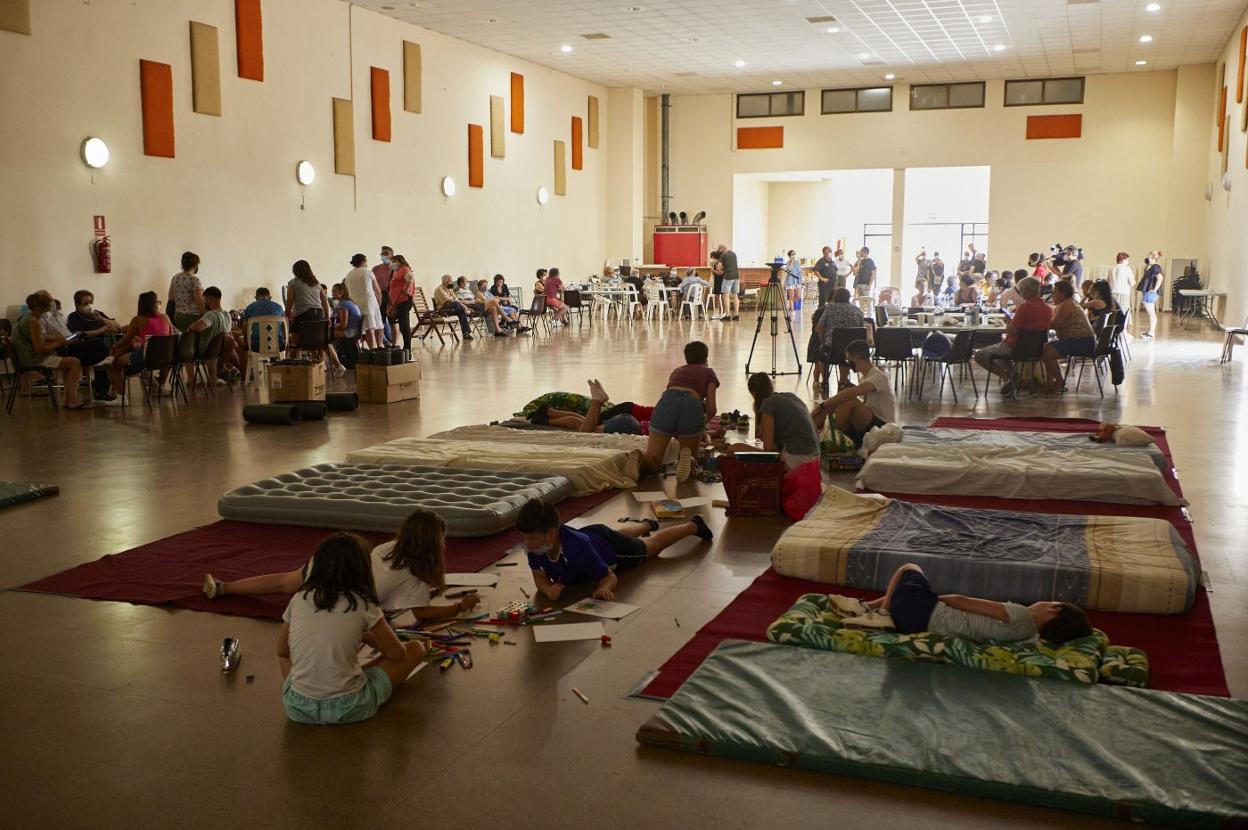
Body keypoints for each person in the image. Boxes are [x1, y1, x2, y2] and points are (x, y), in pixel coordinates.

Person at [205, 508, 480, 620]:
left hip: (335, 565)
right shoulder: (416, 574)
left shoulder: (389, 548)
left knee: (283, 582)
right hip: (338, 597)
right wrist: (459, 607)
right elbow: (421, 614)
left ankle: (223, 587)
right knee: (291, 590)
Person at [275, 532, 426, 725]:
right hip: (351, 707)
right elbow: (397, 654)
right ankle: (344, 681)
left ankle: (310, 689)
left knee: (293, 663)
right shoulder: (363, 603)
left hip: (298, 707)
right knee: (415, 649)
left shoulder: (299, 598)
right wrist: (367, 636)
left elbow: (282, 651)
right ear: (362, 568)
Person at [517, 499, 712, 602]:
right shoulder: (536, 546)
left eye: (531, 538)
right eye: (525, 538)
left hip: (611, 550)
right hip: (596, 536)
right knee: (619, 535)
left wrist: (603, 589)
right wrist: (546, 588)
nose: (527, 543)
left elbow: (609, 577)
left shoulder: (578, 549)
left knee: (650, 547)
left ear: (551, 534)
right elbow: (539, 577)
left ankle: (693, 525)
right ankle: (645, 525)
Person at [862, 564, 1092, 644]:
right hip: (918, 626)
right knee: (911, 591)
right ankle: (871, 608)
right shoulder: (1028, 635)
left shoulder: (1020, 614)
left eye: (1052, 601)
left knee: (909, 569)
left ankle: (876, 609)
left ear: (1054, 610)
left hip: (922, 612)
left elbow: (965, 602)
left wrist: (935, 598)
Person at [644, 340, 719, 482]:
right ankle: (687, 459)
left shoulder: (677, 371)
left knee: (654, 459)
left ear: (686, 358)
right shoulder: (709, 373)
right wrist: (702, 423)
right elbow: (711, 408)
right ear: (706, 358)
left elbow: (670, 396)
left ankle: (639, 457)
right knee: (689, 460)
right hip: (691, 404)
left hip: (666, 403)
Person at [722, 373, 819, 471]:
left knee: (733, 449)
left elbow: (768, 448)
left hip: (796, 458)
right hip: (814, 457)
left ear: (754, 393)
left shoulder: (768, 404)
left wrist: (758, 412)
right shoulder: (791, 397)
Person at [973, 276, 1052, 397]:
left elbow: (1012, 332)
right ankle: (1014, 375)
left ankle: (1007, 377)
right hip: (1036, 350)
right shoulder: (1047, 309)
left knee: (979, 355)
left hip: (1015, 347)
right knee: (998, 354)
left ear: (1027, 291)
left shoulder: (1024, 308)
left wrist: (1009, 320)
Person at [810, 339, 894, 449]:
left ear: (858, 358)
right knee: (833, 405)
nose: (848, 364)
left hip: (882, 426)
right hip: (868, 422)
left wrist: (822, 405)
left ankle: (829, 437)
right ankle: (807, 431)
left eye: (849, 359)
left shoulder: (878, 376)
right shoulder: (865, 377)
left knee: (848, 401)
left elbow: (849, 394)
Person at [10, 291, 88, 409]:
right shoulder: (34, 322)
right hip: (33, 360)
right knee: (74, 362)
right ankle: (72, 400)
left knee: (69, 362)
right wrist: (59, 342)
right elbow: (40, 349)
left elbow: (39, 336)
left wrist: (58, 338)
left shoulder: (26, 317)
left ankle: (68, 401)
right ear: (43, 307)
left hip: (25, 357)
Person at [107, 290, 174, 397]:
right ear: (154, 304)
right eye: (157, 301)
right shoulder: (166, 317)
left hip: (147, 357)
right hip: (166, 357)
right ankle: (158, 387)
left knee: (115, 363)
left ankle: (120, 396)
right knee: (137, 347)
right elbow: (170, 336)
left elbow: (126, 339)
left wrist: (114, 346)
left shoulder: (138, 320)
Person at [1040, 280, 1097, 393]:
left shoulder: (1067, 304)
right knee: (1046, 347)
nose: (1053, 295)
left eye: (1055, 293)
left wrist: (1037, 321)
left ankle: (1059, 382)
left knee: (1047, 351)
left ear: (1063, 293)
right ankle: (1050, 382)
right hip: (1083, 340)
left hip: (1082, 342)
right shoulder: (1068, 303)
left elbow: (1054, 324)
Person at [66, 291, 122, 400]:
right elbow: (79, 335)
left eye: (90, 302)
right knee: (98, 343)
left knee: (101, 357)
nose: (89, 306)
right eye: (85, 303)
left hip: (100, 351)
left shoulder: (97, 314)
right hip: (83, 349)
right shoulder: (74, 317)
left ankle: (102, 392)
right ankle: (111, 355)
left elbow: (118, 327)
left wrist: (102, 319)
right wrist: (102, 330)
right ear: (77, 305)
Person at [286, 260, 339, 369]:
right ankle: (338, 365)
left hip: (304, 315)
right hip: (319, 314)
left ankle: (296, 367)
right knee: (322, 342)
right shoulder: (316, 283)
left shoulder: (293, 283)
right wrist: (327, 316)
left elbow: (289, 301)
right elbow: (325, 301)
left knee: (295, 341)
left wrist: (286, 315)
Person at [185, 286, 239, 383]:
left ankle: (191, 379)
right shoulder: (227, 315)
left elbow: (197, 328)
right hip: (220, 353)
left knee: (186, 344)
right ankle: (234, 369)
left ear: (209, 299)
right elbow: (231, 337)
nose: (203, 302)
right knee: (230, 342)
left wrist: (191, 326)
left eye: (204, 299)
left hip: (206, 351)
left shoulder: (211, 315)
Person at [815, 287, 866, 391]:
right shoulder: (857, 310)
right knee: (844, 356)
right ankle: (843, 381)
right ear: (848, 297)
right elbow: (862, 328)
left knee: (821, 352)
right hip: (852, 348)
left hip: (832, 346)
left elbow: (819, 327)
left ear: (835, 296)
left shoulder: (830, 308)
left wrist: (823, 341)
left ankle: (825, 381)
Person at [237, 287, 286, 381]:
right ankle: (275, 366)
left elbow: (244, 326)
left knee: (240, 340)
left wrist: (247, 343)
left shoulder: (250, 307)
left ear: (256, 297)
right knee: (273, 338)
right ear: (270, 297)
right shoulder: (279, 307)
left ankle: (245, 375)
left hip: (256, 345)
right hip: (278, 344)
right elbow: (284, 327)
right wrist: (284, 341)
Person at [345, 253, 385, 349]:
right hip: (369, 303)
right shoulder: (368, 272)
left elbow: (347, 291)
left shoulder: (348, 275)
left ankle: (370, 349)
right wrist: (378, 304)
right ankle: (377, 348)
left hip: (355, 305)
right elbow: (378, 291)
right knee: (376, 327)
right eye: (366, 261)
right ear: (362, 261)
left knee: (364, 329)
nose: (367, 263)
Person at [169, 251, 204, 331]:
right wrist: (207, 315)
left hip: (178, 316)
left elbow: (171, 298)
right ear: (195, 265)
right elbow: (199, 302)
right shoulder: (194, 280)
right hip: (193, 317)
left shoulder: (175, 278)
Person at [387, 254, 416, 351]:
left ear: (400, 261)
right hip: (397, 301)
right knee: (402, 326)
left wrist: (405, 289)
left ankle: (407, 348)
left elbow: (410, 278)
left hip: (403, 300)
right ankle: (406, 347)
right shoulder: (396, 271)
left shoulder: (404, 269)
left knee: (404, 326)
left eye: (394, 261)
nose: (393, 264)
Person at [432, 274, 473, 340]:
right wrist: (463, 306)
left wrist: (463, 306)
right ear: (445, 282)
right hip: (443, 310)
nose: (452, 282)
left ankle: (465, 333)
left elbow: (455, 298)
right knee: (457, 305)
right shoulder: (439, 289)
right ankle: (466, 331)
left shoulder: (449, 289)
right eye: (450, 281)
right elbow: (448, 300)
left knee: (461, 311)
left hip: (452, 308)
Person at [329, 282, 362, 362]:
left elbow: (343, 325)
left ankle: (335, 360)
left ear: (341, 292)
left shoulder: (344, 304)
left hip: (351, 332)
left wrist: (331, 328)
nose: (332, 293)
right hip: (355, 330)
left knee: (326, 334)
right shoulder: (350, 302)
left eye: (334, 291)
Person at [373, 246, 396, 343]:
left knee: (392, 323)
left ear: (392, 255)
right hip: (379, 297)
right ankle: (380, 345)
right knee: (379, 323)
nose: (383, 256)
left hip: (392, 297)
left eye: (386, 253)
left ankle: (395, 345)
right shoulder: (376, 269)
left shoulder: (396, 268)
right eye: (382, 254)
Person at [1138, 252, 1164, 339]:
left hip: (1150, 292)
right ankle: (1151, 331)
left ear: (1153, 258)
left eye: (1149, 257)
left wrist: (1155, 290)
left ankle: (1151, 332)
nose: (1147, 258)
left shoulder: (1156, 267)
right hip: (1148, 291)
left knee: (1151, 312)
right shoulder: (1152, 266)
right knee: (1150, 312)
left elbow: (1160, 278)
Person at [717, 244, 741, 321]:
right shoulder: (733, 254)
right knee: (735, 295)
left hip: (728, 276)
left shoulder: (723, 255)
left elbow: (718, 267)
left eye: (719, 250)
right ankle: (736, 315)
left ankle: (727, 315)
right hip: (736, 276)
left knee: (726, 295)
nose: (719, 252)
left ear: (721, 249)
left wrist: (720, 271)